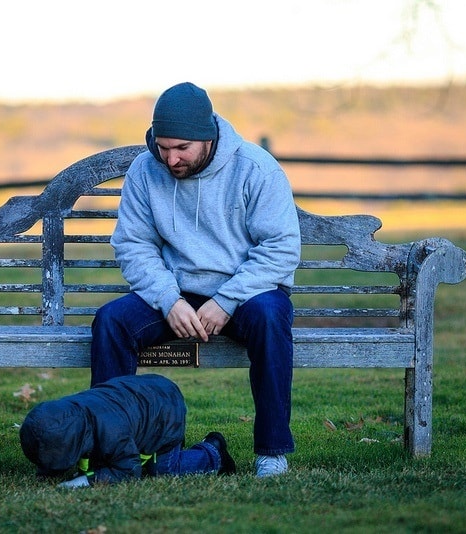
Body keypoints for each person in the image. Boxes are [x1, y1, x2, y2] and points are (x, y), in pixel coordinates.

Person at [91, 82, 301, 478]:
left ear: (208, 137)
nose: (170, 159)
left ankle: (272, 452)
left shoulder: (256, 169)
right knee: (111, 322)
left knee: (272, 317)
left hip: (247, 291)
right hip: (176, 290)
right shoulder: (144, 171)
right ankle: (112, 454)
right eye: (162, 146)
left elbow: (280, 248)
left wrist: (226, 301)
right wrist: (169, 300)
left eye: (181, 148)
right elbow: (134, 245)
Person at [19, 373, 236, 487]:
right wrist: (46, 473)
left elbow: (129, 469)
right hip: (144, 394)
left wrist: (85, 481)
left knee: (161, 469)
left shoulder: (112, 431)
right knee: (100, 460)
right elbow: (52, 439)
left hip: (165, 411)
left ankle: (213, 452)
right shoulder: (69, 415)